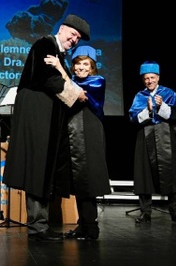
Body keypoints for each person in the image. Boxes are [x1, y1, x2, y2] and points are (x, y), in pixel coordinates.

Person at [2, 14, 90, 242]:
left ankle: (40, 224)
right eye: (73, 34)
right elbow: (48, 79)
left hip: (46, 113)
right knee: (37, 166)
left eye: (78, 38)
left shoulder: (57, 52)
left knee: (43, 166)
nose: (75, 40)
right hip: (37, 111)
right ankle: (37, 226)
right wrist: (76, 93)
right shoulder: (45, 44)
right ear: (62, 29)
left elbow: (61, 76)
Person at [45, 45, 111, 240]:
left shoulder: (97, 80)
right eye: (77, 64)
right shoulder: (72, 79)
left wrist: (59, 68)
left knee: (88, 179)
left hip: (89, 133)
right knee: (78, 180)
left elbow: (78, 94)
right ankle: (83, 225)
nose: (81, 68)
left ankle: (91, 228)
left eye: (85, 64)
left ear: (92, 67)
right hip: (74, 134)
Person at [128, 61, 176, 224]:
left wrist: (161, 106)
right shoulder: (140, 96)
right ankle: (145, 212)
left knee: (170, 173)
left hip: (165, 135)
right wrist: (147, 110)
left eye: (152, 77)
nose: (149, 81)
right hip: (144, 136)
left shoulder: (169, 93)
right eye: (146, 78)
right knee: (144, 174)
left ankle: (175, 212)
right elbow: (133, 118)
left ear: (158, 77)